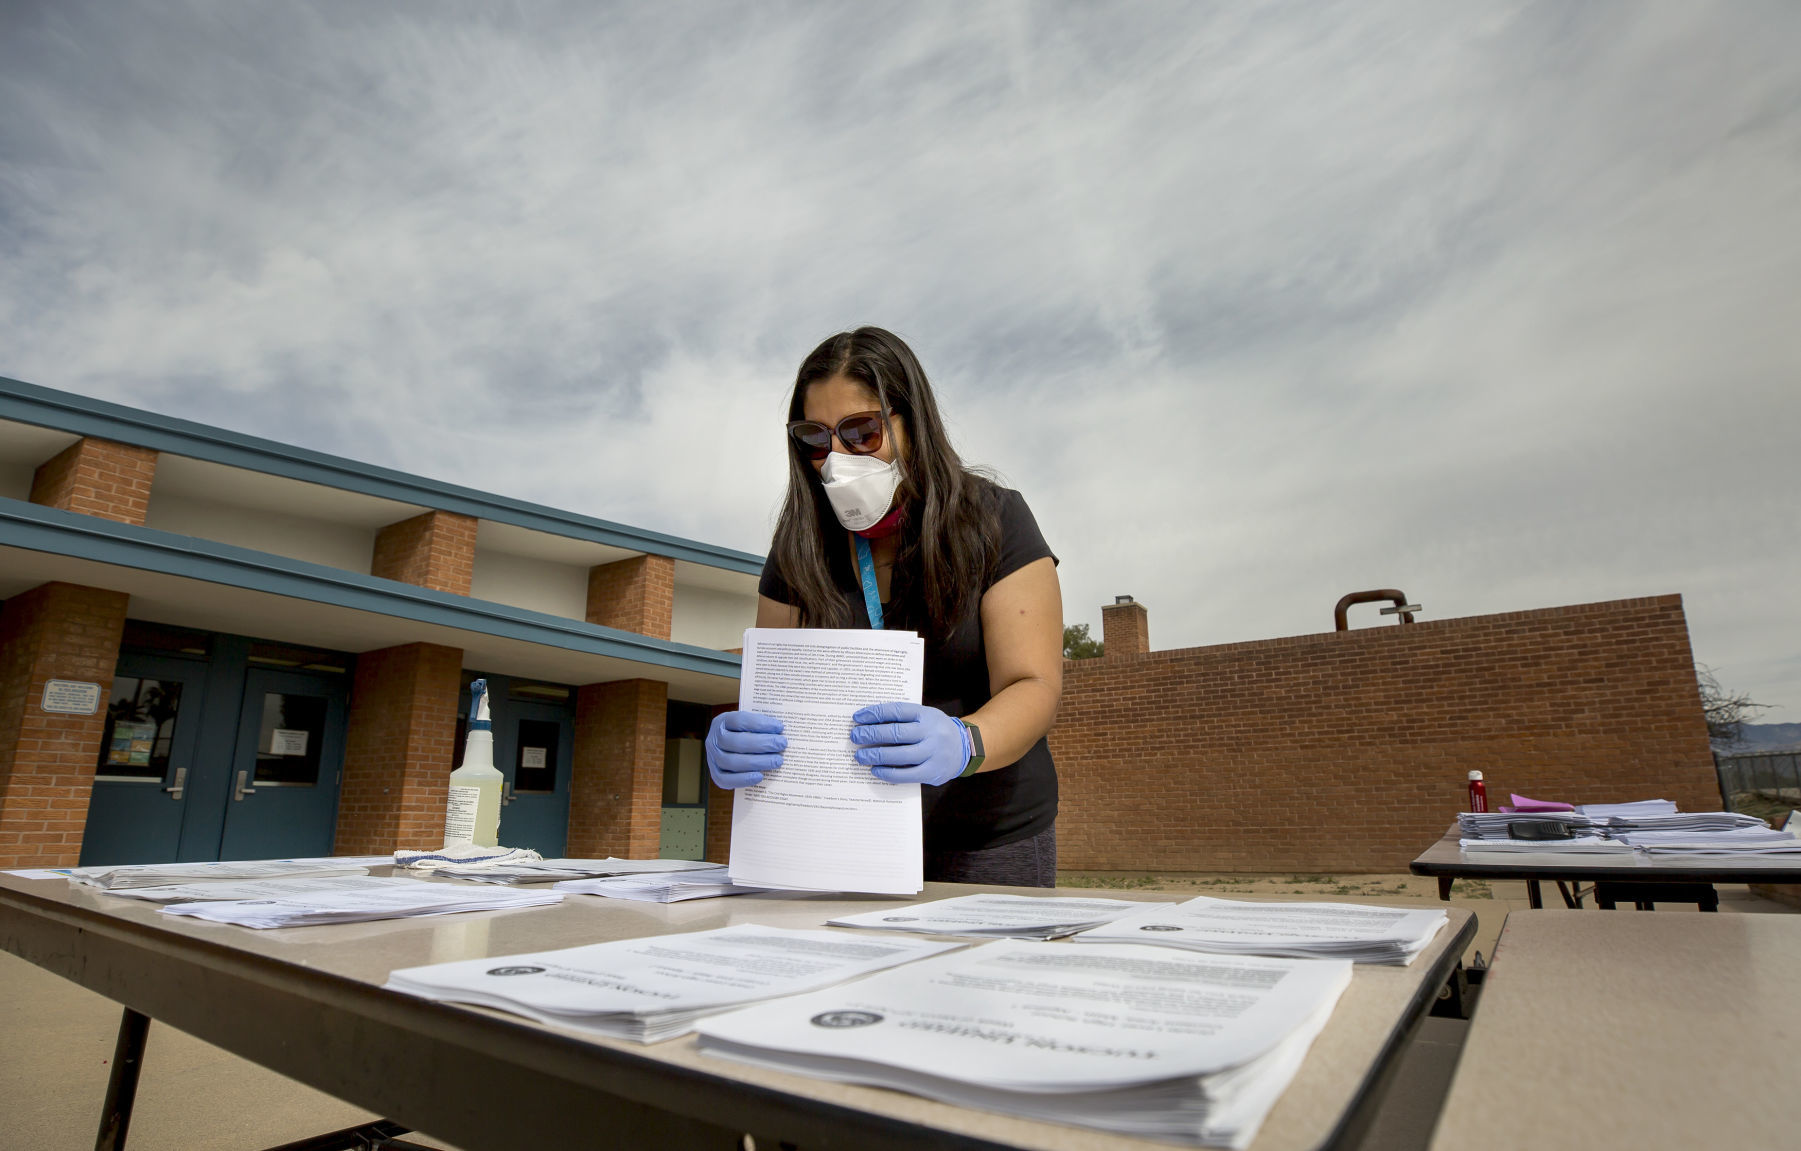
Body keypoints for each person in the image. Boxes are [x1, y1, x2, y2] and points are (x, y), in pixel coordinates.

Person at [704, 326, 1064, 887]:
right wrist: (740, 742)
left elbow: (1034, 686)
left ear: (911, 421)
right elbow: (778, 693)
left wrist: (965, 742)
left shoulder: (994, 521)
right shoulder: (800, 544)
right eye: (815, 438)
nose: (835, 458)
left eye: (861, 432)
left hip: (986, 839)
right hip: (841, 837)